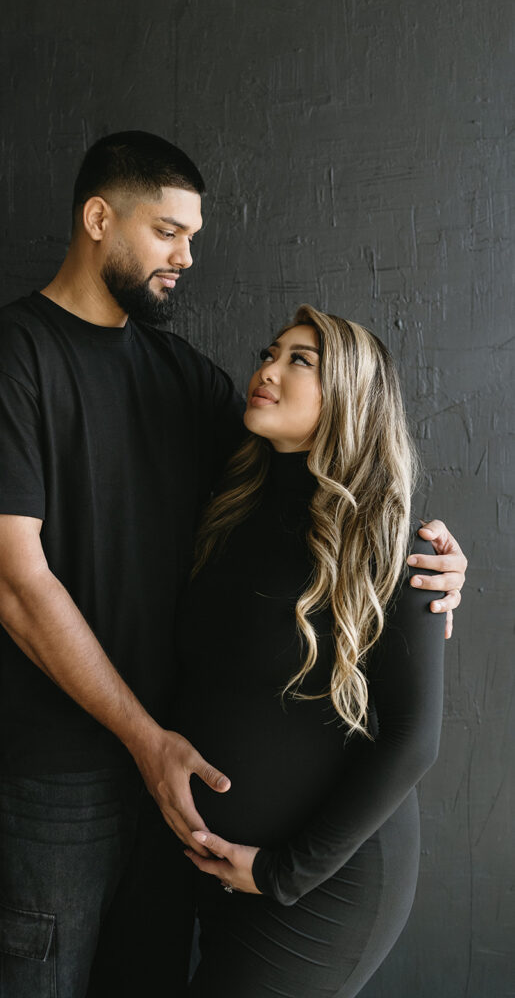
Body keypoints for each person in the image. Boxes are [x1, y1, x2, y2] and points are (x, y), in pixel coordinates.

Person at [0, 132, 467, 997]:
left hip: (169, 790)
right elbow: (12, 580)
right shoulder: (9, 355)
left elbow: (325, 463)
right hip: (55, 773)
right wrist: (147, 740)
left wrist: (430, 560)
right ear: (98, 218)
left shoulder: (182, 378)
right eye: (167, 232)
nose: (186, 257)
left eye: (193, 237)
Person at [177, 305, 448, 997]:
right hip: (219, 869)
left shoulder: (392, 546)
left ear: (351, 394)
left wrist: (281, 873)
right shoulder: (230, 511)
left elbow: (414, 740)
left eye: (300, 360)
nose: (265, 370)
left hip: (323, 883)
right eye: (269, 352)